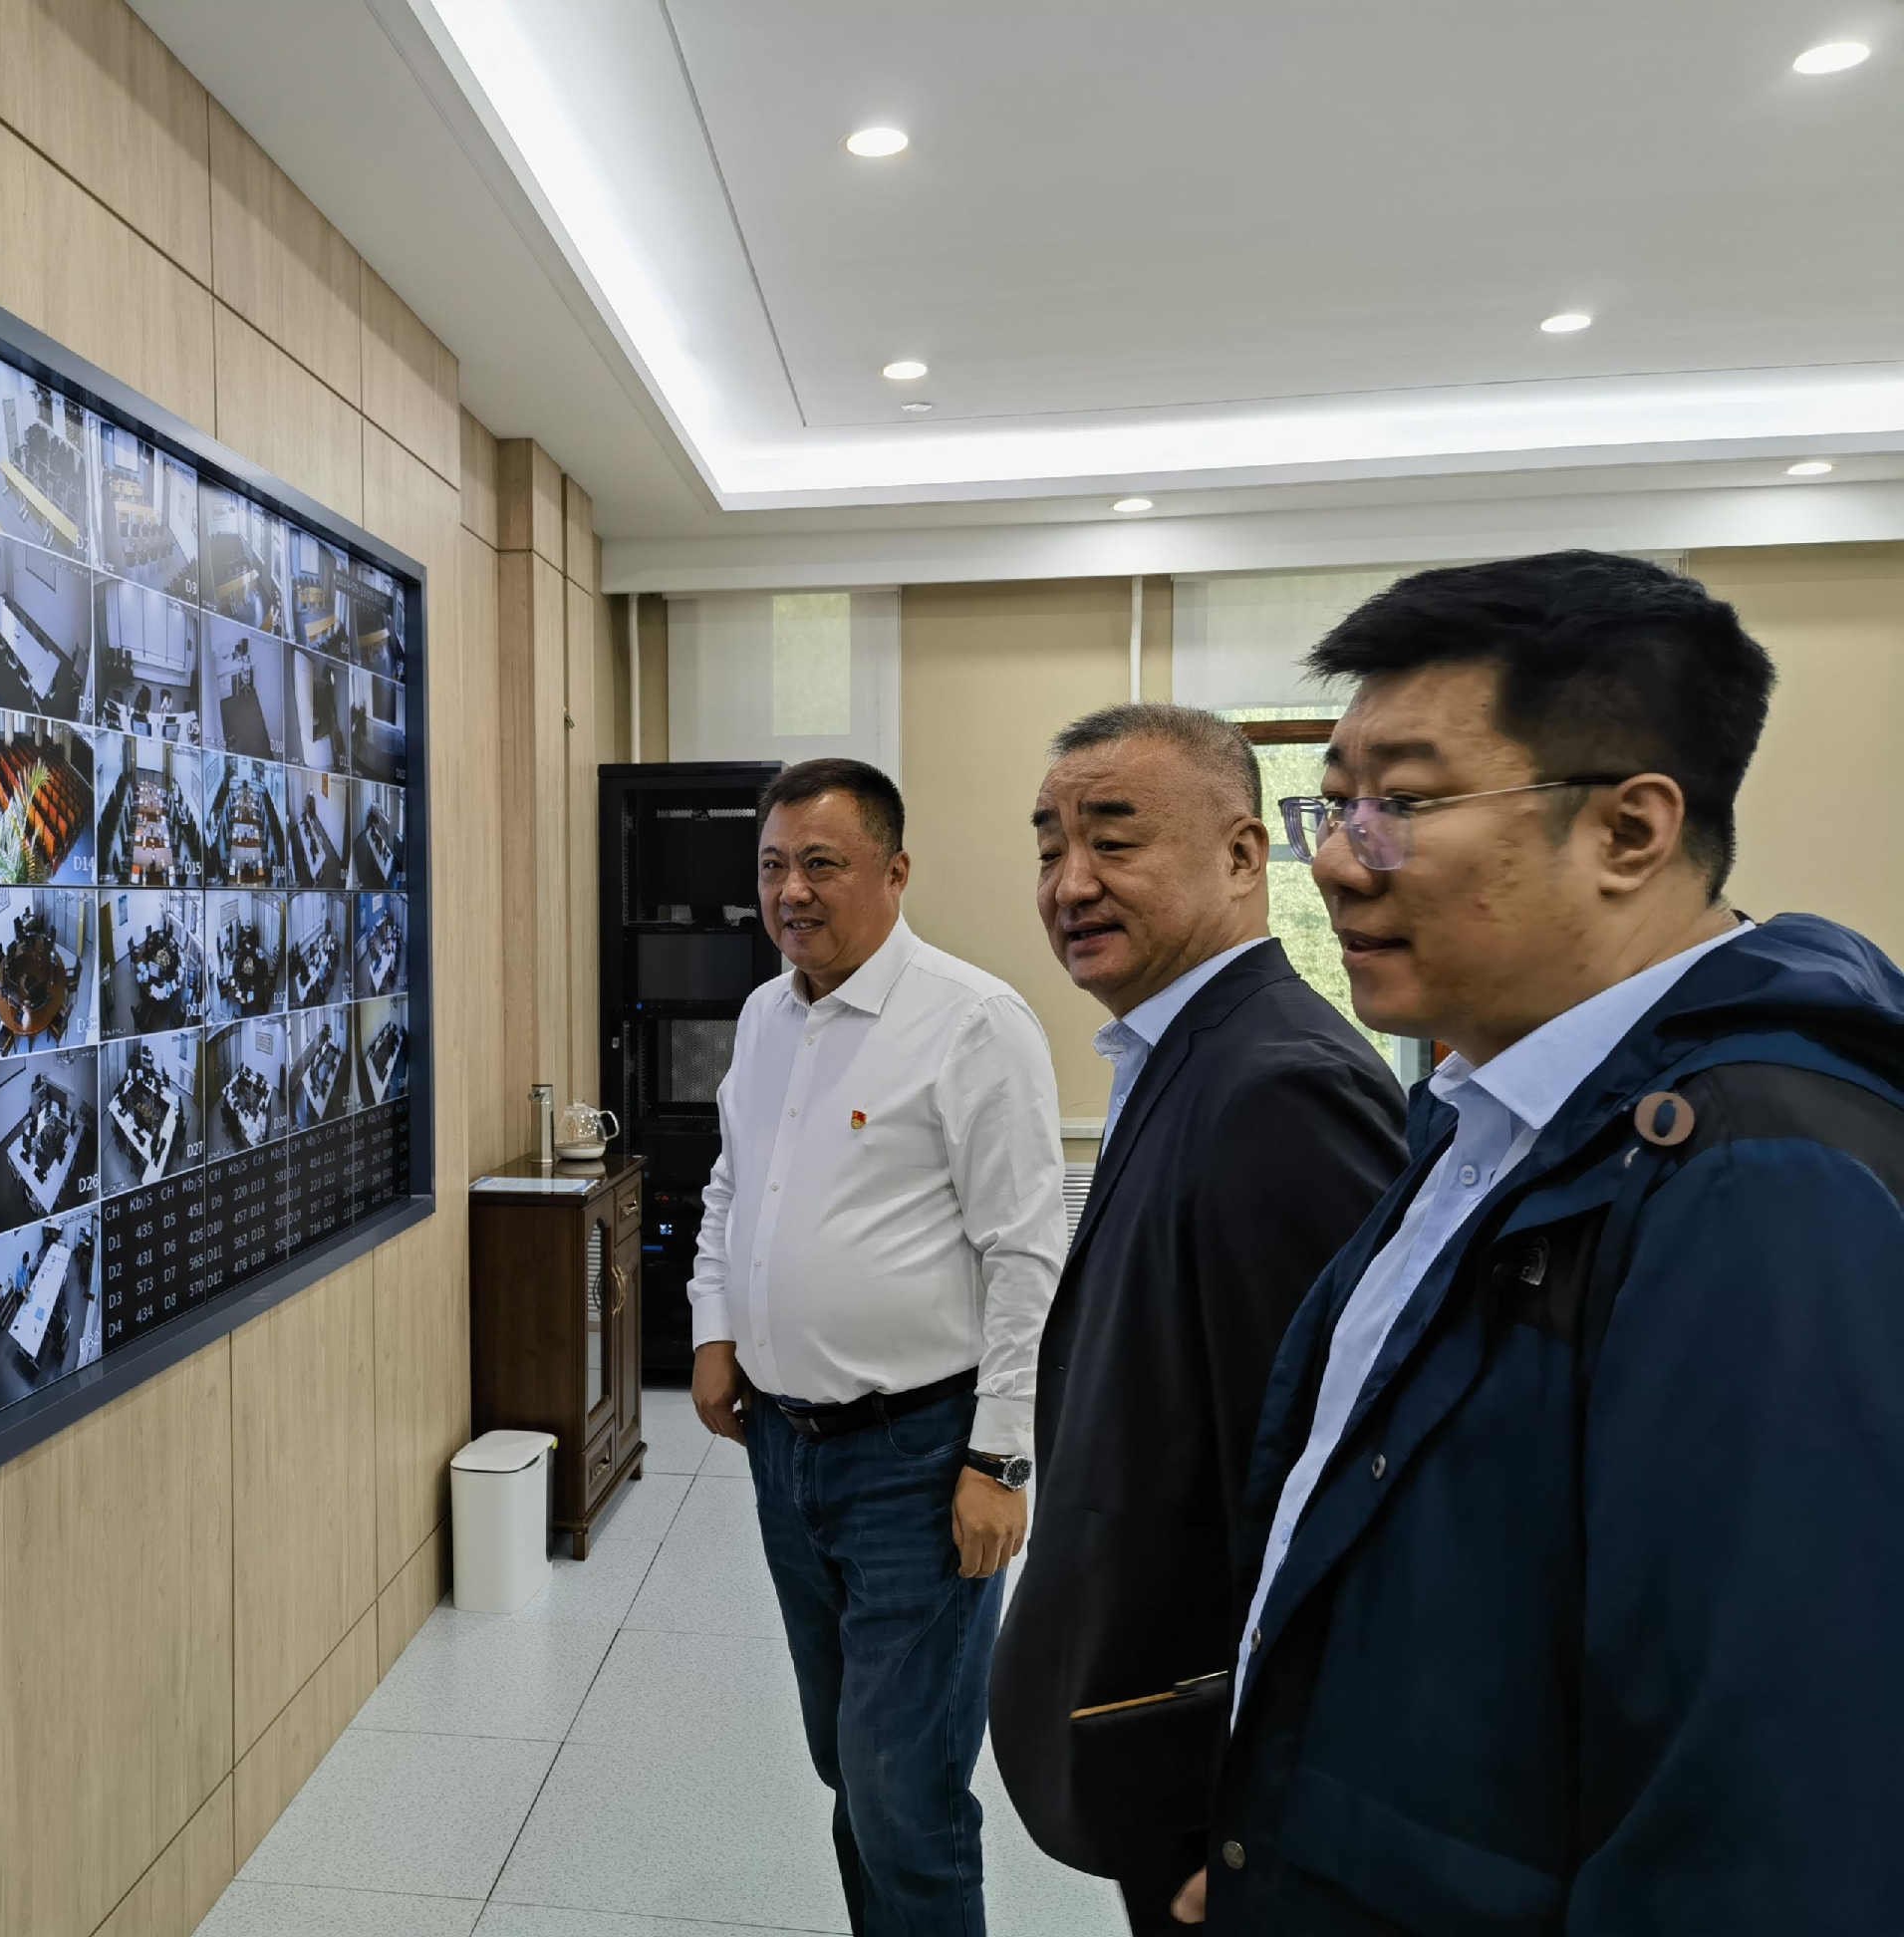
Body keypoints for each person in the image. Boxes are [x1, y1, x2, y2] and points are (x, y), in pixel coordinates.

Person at [1206, 551, 1904, 1932]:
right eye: (1333, 806)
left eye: (1402, 807)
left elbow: (1760, 1814)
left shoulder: (1757, 1185)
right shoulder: (1488, 1107)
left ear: (1629, 832)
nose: (1335, 859)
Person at [988, 706, 1407, 1932]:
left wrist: (1271, 1810)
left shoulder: (1280, 1087)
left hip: (1219, 1772)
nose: (1071, 884)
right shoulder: (1178, 1051)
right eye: (1051, 847)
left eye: (1114, 842)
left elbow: (1336, 1495)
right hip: (1157, 1728)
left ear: (1242, 855)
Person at [688, 756, 1066, 1937]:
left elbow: (1025, 1254)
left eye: (822, 864)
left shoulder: (972, 1022)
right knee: (846, 1761)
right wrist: (716, 1328)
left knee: (905, 1791)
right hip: (784, 1451)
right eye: (773, 866)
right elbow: (733, 1187)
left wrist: (999, 1458)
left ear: (895, 873)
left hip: (919, 1456)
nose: (791, 891)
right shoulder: (766, 1015)